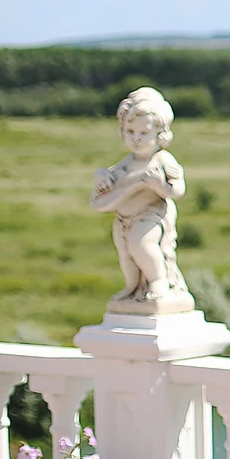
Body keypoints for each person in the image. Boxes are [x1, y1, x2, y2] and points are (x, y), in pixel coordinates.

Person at [91, 87, 191, 309]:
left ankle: (158, 282)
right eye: (130, 131)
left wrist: (160, 185)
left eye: (144, 133)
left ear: (160, 134)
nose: (136, 138)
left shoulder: (163, 160)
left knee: (142, 245)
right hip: (122, 217)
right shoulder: (127, 161)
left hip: (150, 215)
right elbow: (111, 176)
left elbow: (178, 190)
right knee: (126, 255)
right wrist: (101, 175)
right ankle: (133, 286)